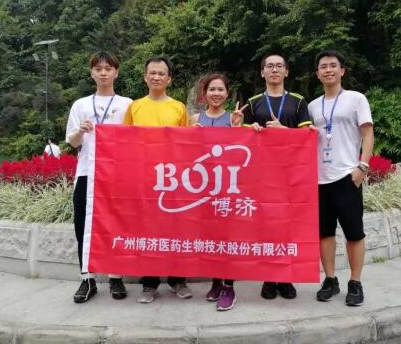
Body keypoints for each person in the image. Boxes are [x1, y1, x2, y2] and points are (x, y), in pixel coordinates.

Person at [242, 53, 312, 300]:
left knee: (289, 227)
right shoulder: (252, 103)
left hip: (291, 175)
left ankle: (286, 277)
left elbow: (308, 137)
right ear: (262, 72)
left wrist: (284, 131)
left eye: (279, 66)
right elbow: (240, 137)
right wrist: (249, 128)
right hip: (262, 176)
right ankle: (269, 277)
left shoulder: (298, 101)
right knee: (266, 227)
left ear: (286, 71)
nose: (274, 70)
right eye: (269, 66)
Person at [123, 56, 192, 304]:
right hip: (145, 178)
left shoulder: (178, 108)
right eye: (152, 73)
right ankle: (149, 283)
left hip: (172, 179)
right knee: (147, 229)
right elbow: (124, 142)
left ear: (169, 79)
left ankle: (177, 279)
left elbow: (187, 144)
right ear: (145, 77)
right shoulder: (134, 107)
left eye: (161, 73)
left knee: (175, 228)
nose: (156, 77)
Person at [65, 51, 133, 303]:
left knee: (116, 223)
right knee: (83, 225)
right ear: (91, 72)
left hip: (116, 175)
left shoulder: (128, 104)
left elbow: (135, 140)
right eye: (98, 69)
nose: (103, 73)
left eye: (108, 68)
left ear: (116, 72)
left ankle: (116, 276)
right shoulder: (81, 105)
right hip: (87, 172)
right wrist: (80, 132)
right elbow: (72, 142)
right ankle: (87, 278)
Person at [308, 50, 374, 307]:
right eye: (323, 67)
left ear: (342, 70)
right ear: (317, 74)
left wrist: (362, 167)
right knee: (324, 234)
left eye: (333, 65)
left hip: (347, 176)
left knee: (354, 233)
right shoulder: (313, 106)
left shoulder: (356, 99)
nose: (328, 70)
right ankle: (330, 279)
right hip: (319, 179)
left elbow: (367, 133)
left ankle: (355, 283)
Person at [190, 72, 246, 311]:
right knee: (210, 237)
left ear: (227, 93)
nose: (216, 93)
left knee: (228, 237)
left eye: (220, 89)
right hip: (203, 189)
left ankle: (229, 287)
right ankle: (216, 281)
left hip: (227, 188)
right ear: (205, 93)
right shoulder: (195, 118)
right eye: (212, 89)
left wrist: (238, 128)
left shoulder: (233, 118)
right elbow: (186, 153)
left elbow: (242, 152)